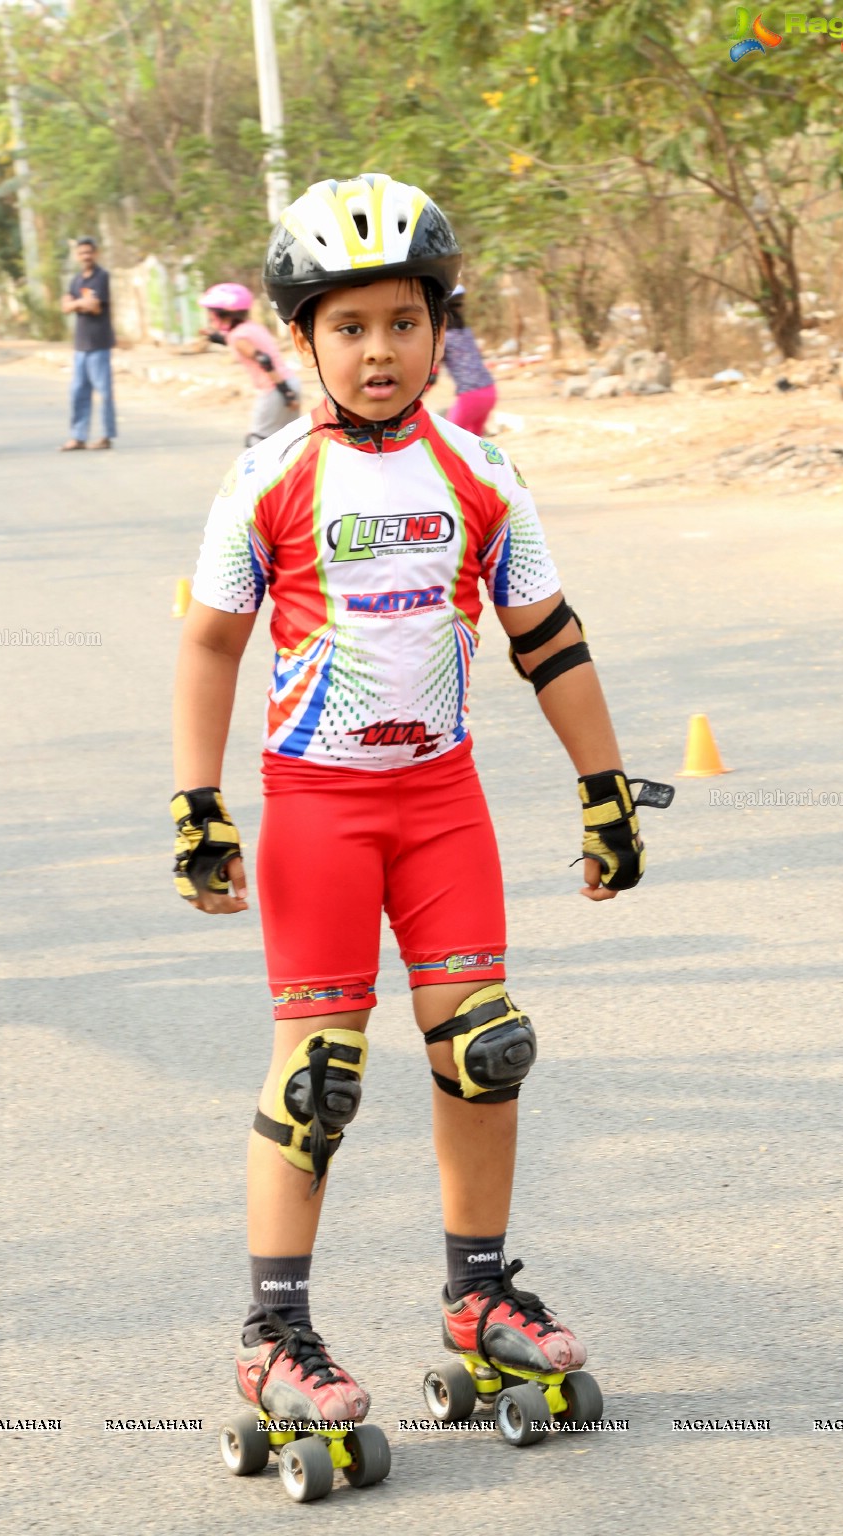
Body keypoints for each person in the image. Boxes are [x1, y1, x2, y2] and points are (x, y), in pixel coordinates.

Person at [172, 173, 662, 1433]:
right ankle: (275, 1330)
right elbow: (212, 645)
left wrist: (605, 791)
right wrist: (198, 804)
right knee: (317, 1077)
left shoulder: (482, 472)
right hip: (319, 809)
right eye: (348, 326)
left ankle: (479, 1297)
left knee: (483, 1053)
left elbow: (545, 635)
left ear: (442, 324)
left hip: (443, 804)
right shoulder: (270, 475)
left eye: (403, 320)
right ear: (302, 340)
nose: (379, 350)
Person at [198, 282, 301, 446]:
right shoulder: (250, 328)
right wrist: (214, 337)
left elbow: (263, 359)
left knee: (258, 441)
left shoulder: (238, 336)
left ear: (224, 313)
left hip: (275, 388)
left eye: (212, 312)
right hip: (289, 382)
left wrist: (285, 393)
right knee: (289, 441)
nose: (210, 316)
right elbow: (237, 342)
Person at [60, 237, 116, 451]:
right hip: (80, 344)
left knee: (104, 391)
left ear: (96, 253)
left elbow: (95, 307)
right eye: (82, 253)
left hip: (99, 342)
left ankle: (105, 435)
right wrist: (79, 303)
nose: (86, 256)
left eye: (89, 252)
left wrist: (78, 304)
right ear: (77, 256)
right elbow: (65, 306)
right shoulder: (76, 280)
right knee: (78, 391)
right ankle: (78, 436)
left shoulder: (101, 277)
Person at [441, 282, 497, 435]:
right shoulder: (465, 331)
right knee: (473, 443)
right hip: (490, 391)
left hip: (470, 396)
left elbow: (431, 370)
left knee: (446, 438)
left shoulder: (443, 338)